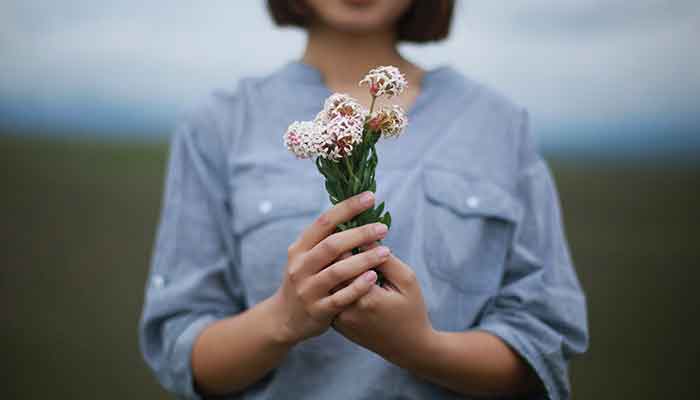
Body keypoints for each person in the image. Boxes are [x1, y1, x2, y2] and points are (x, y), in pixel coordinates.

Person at [138, 1, 589, 399]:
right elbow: (183, 349)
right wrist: (282, 319)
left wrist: (421, 348)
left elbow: (543, 342)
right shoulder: (218, 123)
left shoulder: (497, 124)